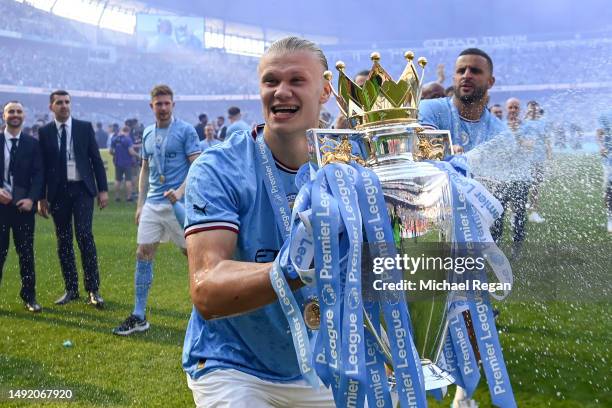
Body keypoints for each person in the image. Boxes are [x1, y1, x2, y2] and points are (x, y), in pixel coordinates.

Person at [182, 36, 335, 407]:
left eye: (296, 80)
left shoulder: (350, 167)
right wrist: (294, 268)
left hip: (326, 362)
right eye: (271, 81)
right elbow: (206, 288)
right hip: (234, 362)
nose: (281, 92)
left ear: (326, 89)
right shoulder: (220, 167)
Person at [113, 84, 200, 336]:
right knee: (143, 252)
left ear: (173, 105)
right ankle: (139, 315)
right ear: (151, 106)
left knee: (192, 254)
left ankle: (207, 311)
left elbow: (197, 165)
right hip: (153, 202)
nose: (162, 108)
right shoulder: (148, 133)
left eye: (166, 103)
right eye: (158, 104)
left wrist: (181, 192)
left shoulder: (185, 131)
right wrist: (140, 204)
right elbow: (145, 169)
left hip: (178, 205)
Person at [37, 90, 108, 308]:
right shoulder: (45, 132)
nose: (64, 105)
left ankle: (93, 290)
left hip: (82, 190)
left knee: (85, 236)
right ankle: (71, 289)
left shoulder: (84, 127)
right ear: (51, 106)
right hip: (58, 193)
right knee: (64, 240)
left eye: (67, 102)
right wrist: (41, 197)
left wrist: (103, 190)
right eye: (59, 102)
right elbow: (41, 168)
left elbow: (96, 160)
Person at [0, 101, 44, 312]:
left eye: (18, 111)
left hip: (23, 207)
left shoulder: (32, 144)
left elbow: (38, 175)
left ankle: (29, 296)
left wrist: (32, 199)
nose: (15, 115)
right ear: (4, 115)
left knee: (26, 253)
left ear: (24, 116)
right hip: (0, 208)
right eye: (11, 111)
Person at [524, 101, 551, 224]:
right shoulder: (523, 123)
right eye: (531, 109)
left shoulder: (543, 122)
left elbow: (546, 139)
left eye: (535, 109)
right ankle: (516, 211)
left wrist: (549, 154)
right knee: (522, 185)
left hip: (539, 158)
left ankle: (533, 212)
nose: (534, 111)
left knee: (536, 186)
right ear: (528, 110)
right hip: (525, 159)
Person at [110, 126, 139, 202]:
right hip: (127, 163)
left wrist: (117, 154)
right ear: (128, 131)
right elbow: (131, 152)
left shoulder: (115, 139)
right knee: (128, 180)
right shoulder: (128, 139)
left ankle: (117, 197)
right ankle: (129, 197)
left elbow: (110, 151)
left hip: (117, 162)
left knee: (117, 180)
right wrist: (138, 155)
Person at [597, 109, 612, 233]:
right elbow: (599, 133)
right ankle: (610, 218)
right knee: (609, 189)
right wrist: (601, 146)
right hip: (610, 158)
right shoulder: (606, 114)